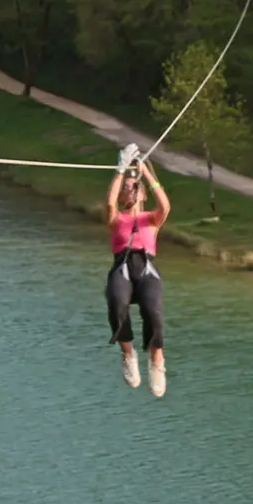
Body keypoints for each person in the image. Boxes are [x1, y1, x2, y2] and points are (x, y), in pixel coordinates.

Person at [106, 146, 170, 396]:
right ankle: (128, 355)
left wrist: (146, 174)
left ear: (141, 193)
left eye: (134, 186)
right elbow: (110, 202)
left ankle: (157, 360)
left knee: (153, 311)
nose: (129, 188)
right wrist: (120, 171)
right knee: (116, 304)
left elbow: (165, 205)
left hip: (146, 268)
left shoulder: (151, 219)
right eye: (125, 187)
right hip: (122, 267)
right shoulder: (116, 218)